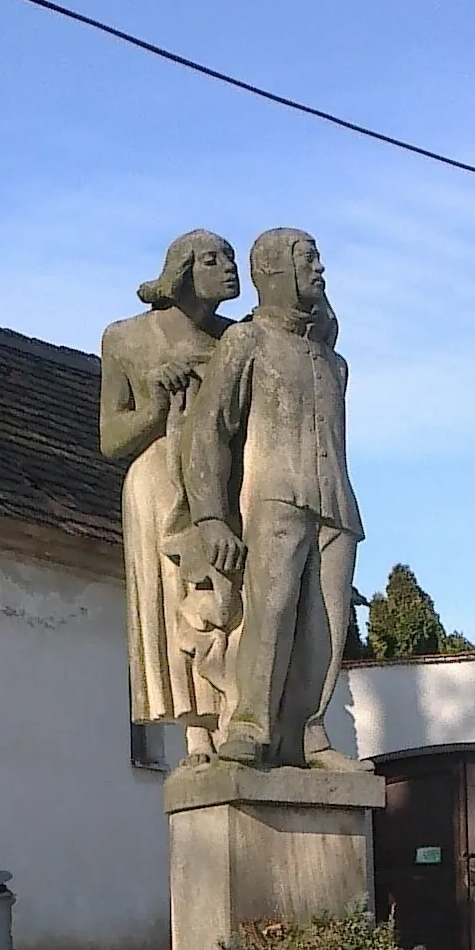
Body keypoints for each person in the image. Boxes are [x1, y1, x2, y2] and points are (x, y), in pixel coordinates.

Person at [182, 228, 369, 770]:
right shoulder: (247, 342)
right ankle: (249, 725)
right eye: (309, 259)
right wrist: (212, 517)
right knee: (270, 612)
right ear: (276, 270)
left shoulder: (334, 364)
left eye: (319, 258)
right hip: (273, 498)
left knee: (327, 624)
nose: (320, 270)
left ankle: (311, 737)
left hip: (336, 503)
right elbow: (208, 430)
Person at [99, 230, 240, 765]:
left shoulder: (236, 340)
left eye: (231, 258)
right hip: (158, 481)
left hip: (223, 484)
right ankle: (197, 731)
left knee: (229, 603)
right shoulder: (127, 339)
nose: (230, 268)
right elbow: (110, 439)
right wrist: (157, 402)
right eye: (213, 260)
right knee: (176, 604)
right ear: (182, 270)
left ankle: (236, 712)